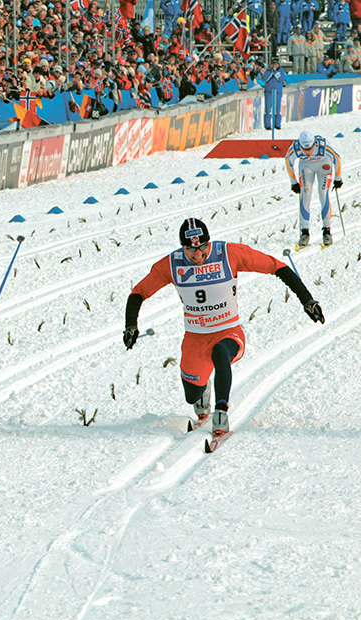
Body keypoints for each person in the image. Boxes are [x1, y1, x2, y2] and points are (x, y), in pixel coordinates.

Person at [124, 219, 325, 438]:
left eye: (202, 247)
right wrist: (130, 325)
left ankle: (221, 412)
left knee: (220, 352)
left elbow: (277, 266)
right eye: (191, 249)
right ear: (183, 246)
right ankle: (203, 391)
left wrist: (307, 300)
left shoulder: (229, 253)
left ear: (209, 242)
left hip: (228, 331)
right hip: (195, 337)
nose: (198, 254)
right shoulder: (171, 264)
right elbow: (139, 292)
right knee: (192, 395)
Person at [285, 129, 343, 247]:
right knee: (306, 194)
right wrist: (293, 182)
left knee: (323, 193)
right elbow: (288, 162)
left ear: (314, 144)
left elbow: (337, 159)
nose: (307, 152)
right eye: (304, 149)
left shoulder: (323, 146)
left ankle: (327, 230)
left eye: (310, 149)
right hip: (306, 166)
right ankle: (304, 232)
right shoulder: (295, 148)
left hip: (324, 164)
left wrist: (338, 178)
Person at [261, 58, 287, 130]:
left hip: (278, 92)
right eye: (273, 64)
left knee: (277, 109)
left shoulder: (281, 71)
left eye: (276, 64)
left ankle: (277, 124)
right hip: (269, 91)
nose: (274, 65)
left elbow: (281, 79)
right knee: (268, 109)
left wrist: (275, 72)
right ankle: (267, 125)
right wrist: (271, 72)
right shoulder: (268, 71)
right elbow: (265, 79)